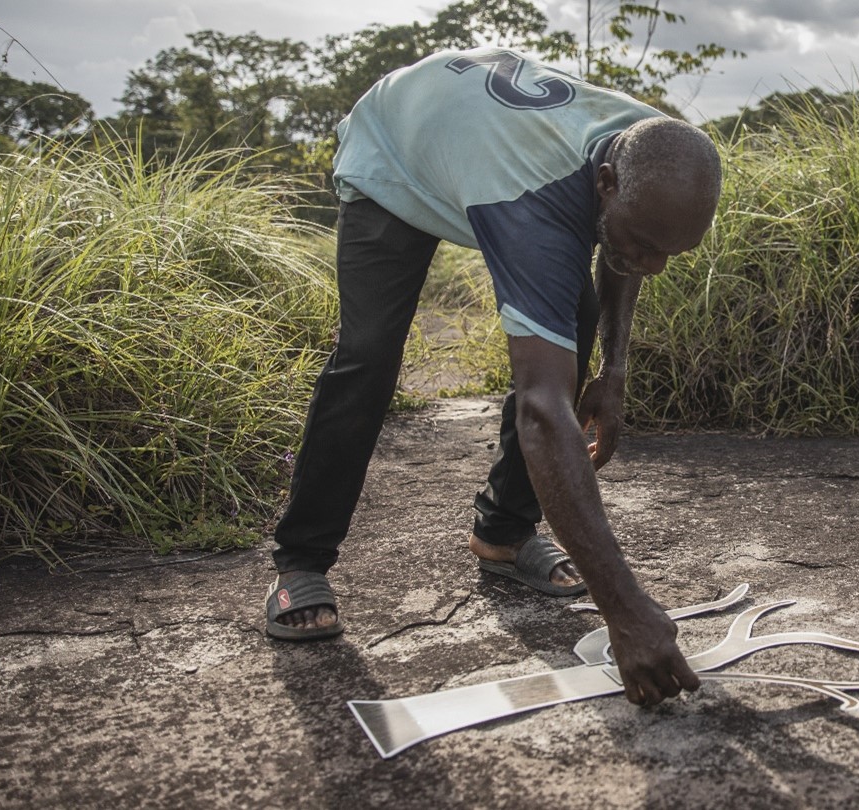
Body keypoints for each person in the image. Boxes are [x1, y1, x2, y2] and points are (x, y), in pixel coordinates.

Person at [261, 46, 722, 707]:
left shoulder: (649, 149)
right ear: (606, 184)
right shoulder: (530, 196)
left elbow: (627, 253)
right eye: (642, 241)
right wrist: (624, 608)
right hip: (399, 146)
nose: (651, 264)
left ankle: (503, 534)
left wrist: (613, 373)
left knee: (577, 315)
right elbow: (541, 410)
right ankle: (300, 560)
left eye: (669, 254)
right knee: (369, 355)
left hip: (486, 141)